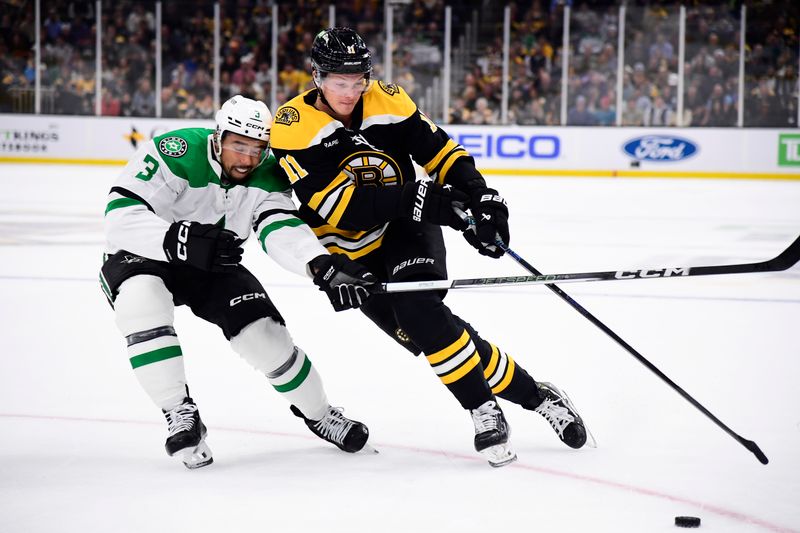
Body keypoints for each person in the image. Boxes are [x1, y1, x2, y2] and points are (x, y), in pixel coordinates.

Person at [270, 28, 589, 467]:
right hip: (348, 255)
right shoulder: (290, 127)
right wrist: (429, 200)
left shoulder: (388, 100)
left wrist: (480, 196)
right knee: (435, 334)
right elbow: (341, 207)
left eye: (358, 79)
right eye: (340, 82)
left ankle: (482, 410)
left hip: (405, 229)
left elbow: (440, 152)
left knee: (421, 313)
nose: (351, 91)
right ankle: (538, 397)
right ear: (317, 77)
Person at [100, 94, 376, 469]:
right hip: (144, 255)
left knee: (264, 334)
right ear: (218, 137)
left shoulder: (270, 171)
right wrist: (175, 240)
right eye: (239, 145)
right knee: (141, 304)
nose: (247, 159)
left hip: (213, 262)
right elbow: (121, 214)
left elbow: (279, 226)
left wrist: (319, 264)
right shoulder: (175, 150)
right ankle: (179, 412)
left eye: (257, 148)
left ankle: (320, 413)